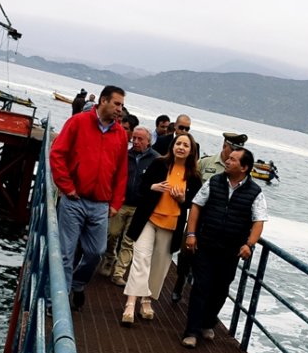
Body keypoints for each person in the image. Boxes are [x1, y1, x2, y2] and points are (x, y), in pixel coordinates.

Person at [49, 85, 128, 310]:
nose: (120, 109)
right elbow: (57, 153)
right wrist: (67, 186)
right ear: (103, 101)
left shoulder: (120, 134)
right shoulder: (78, 123)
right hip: (74, 201)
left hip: (101, 205)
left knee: (96, 251)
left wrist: (115, 203)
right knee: (65, 253)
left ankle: (78, 282)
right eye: (117, 104)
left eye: (121, 105)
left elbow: (121, 172)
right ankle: (59, 303)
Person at [181, 148, 268, 348]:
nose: (227, 161)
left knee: (220, 288)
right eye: (228, 159)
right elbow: (196, 205)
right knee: (201, 286)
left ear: (244, 167)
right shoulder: (214, 182)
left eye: (233, 160)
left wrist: (249, 244)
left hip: (231, 249)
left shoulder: (255, 192)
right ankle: (191, 331)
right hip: (206, 243)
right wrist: (191, 234)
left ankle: (207, 323)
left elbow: (259, 221)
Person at [120, 133, 202, 326]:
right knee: (140, 259)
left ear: (191, 151)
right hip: (148, 219)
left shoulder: (194, 176)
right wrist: (153, 187)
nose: (181, 147)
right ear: (172, 146)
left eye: (186, 145)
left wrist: (183, 200)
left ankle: (146, 300)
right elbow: (141, 187)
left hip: (172, 224)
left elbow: (194, 203)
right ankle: (131, 302)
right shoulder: (159, 164)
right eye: (178, 143)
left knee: (159, 264)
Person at [171, 132, 248, 302]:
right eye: (232, 148)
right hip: (197, 218)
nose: (233, 153)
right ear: (224, 146)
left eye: (237, 150)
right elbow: (189, 181)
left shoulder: (237, 169)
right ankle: (180, 281)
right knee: (185, 254)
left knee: (207, 262)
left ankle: (197, 294)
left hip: (218, 224)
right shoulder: (206, 163)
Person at [98, 127, 161, 286]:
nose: (137, 142)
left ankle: (119, 272)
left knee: (129, 240)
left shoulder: (156, 160)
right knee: (112, 234)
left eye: (141, 139)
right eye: (134, 138)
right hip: (121, 202)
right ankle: (109, 257)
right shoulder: (125, 155)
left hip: (139, 206)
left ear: (148, 141)